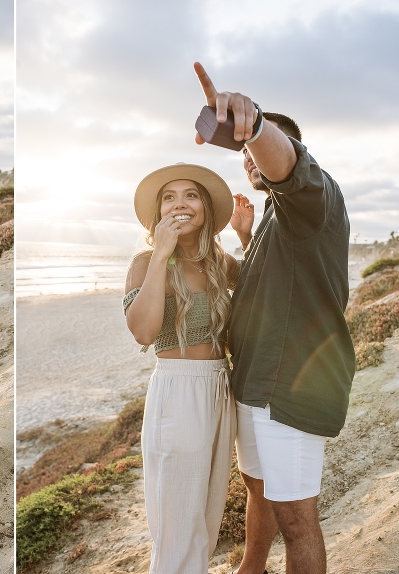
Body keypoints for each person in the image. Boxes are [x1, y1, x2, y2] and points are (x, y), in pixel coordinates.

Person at [194, 62, 356, 574]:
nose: (249, 160)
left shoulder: (314, 196)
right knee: (259, 490)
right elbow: (266, 288)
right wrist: (233, 239)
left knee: (296, 519)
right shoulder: (273, 219)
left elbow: (287, 164)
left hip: (291, 386)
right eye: (243, 154)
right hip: (255, 381)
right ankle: (251, 568)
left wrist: (257, 124)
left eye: (255, 148)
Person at [125, 163, 238, 573]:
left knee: (206, 517)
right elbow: (142, 332)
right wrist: (161, 256)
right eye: (169, 197)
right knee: (177, 523)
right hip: (177, 394)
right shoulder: (144, 263)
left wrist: (245, 236)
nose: (180, 204)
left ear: (205, 207)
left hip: (220, 390)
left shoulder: (220, 264)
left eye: (190, 194)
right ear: (158, 213)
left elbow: (261, 290)